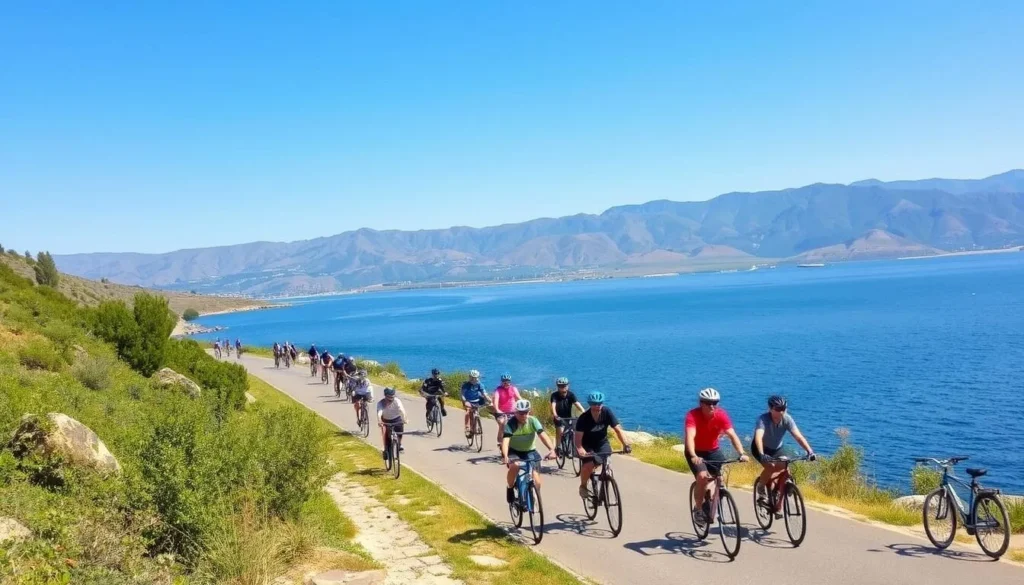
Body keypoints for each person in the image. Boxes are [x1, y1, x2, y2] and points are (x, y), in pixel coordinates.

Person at [684, 387, 748, 526]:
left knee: (718, 478)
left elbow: (732, 435)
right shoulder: (692, 415)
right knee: (702, 476)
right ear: (701, 403)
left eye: (715, 403)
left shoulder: (721, 415)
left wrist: (741, 453)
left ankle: (712, 498)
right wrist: (694, 455)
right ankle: (698, 509)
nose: (712, 406)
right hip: (695, 451)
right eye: (708, 403)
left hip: (713, 450)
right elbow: (690, 436)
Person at [753, 395, 816, 518]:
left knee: (786, 468)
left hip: (777, 449)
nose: (781, 411)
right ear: (770, 409)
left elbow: (798, 436)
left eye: (784, 408)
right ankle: (761, 488)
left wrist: (810, 451)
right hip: (760, 448)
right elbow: (758, 437)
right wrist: (761, 454)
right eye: (778, 409)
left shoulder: (787, 419)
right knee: (770, 466)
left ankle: (778, 501)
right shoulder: (763, 419)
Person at [574, 391, 631, 498]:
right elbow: (578, 439)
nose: (597, 406)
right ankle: (583, 486)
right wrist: (580, 449)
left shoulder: (606, 412)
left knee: (606, 459)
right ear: (590, 404)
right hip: (587, 444)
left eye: (600, 403)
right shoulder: (583, 418)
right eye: (595, 404)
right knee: (589, 465)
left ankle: (605, 479)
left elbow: (617, 430)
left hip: (601, 442)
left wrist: (625, 444)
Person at [501, 399, 556, 503]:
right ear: (515, 413)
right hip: (514, 451)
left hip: (530, 451)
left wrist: (552, 450)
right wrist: (505, 456)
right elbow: (506, 441)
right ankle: (510, 487)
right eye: (520, 413)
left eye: (526, 412)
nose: (523, 415)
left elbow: (542, 435)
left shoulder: (533, 421)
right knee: (515, 466)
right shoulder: (511, 423)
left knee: (537, 481)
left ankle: (532, 494)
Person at [549, 377, 583, 456]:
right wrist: (555, 414)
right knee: (560, 432)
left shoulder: (571, 394)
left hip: (568, 417)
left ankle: (569, 448)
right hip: (558, 417)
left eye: (564, 385)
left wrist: (583, 412)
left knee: (570, 431)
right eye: (560, 386)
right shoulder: (554, 395)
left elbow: (577, 404)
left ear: (568, 386)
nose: (563, 387)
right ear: (557, 386)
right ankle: (558, 447)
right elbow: (553, 405)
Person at [492, 373, 522, 450]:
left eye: (508, 382)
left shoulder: (513, 389)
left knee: (519, 424)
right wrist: (498, 411)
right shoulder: (498, 390)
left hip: (513, 412)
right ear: (501, 382)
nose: (506, 383)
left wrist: (523, 404)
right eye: (504, 382)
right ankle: (500, 442)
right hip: (501, 412)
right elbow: (495, 403)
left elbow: (519, 398)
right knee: (503, 423)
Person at [377, 387, 408, 459]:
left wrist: (404, 419)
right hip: (385, 421)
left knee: (400, 432)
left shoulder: (397, 401)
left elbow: (401, 410)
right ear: (385, 396)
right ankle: (385, 449)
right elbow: (379, 413)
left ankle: (399, 444)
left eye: (392, 397)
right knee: (385, 436)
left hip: (397, 419)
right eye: (389, 397)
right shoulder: (381, 403)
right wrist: (379, 421)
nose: (391, 399)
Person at [460, 370, 489, 437]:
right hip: (468, 401)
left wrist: (489, 400)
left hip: (477, 401)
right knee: (468, 412)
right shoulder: (466, 385)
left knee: (476, 414)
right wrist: (465, 401)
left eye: (475, 377)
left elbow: (484, 393)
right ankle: (467, 427)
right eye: (472, 377)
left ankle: (474, 428)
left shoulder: (479, 384)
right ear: (469, 377)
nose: (474, 379)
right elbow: (462, 394)